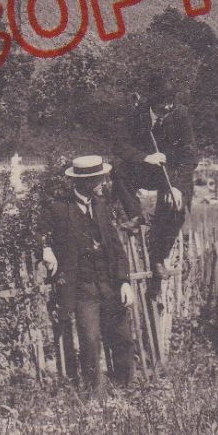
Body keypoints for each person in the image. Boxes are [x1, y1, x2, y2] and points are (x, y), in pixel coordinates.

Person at [40, 154, 137, 394]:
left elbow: (116, 247)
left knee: (123, 337)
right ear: (84, 182)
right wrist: (45, 248)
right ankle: (95, 395)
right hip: (83, 288)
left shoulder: (102, 206)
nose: (104, 182)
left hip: (110, 284)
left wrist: (124, 282)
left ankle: (124, 388)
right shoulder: (60, 208)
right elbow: (37, 230)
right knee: (90, 340)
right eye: (99, 178)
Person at [111, 73, 199, 287]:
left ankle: (159, 257)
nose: (168, 107)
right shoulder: (136, 114)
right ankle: (134, 215)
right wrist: (145, 157)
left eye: (171, 102)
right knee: (119, 169)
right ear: (152, 101)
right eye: (162, 103)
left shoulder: (181, 114)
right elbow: (119, 145)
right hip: (147, 167)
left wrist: (177, 187)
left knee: (176, 209)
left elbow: (190, 154)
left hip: (174, 172)